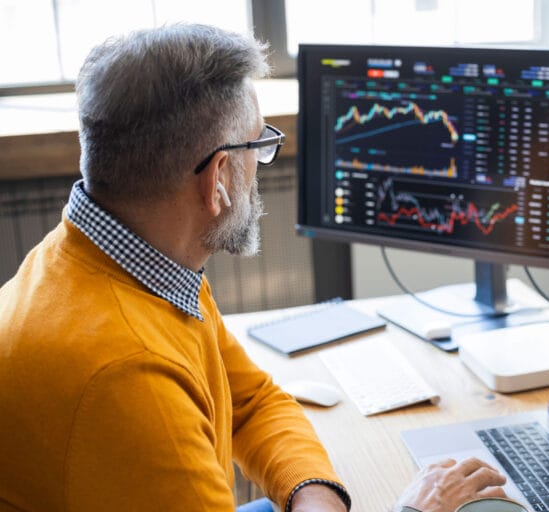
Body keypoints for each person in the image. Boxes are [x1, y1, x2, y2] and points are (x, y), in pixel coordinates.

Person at [0, 23, 509, 512]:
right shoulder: (129, 377)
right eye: (258, 146)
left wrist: (313, 493)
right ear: (218, 177)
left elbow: (251, 400)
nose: (260, 166)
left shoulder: (124, 257)